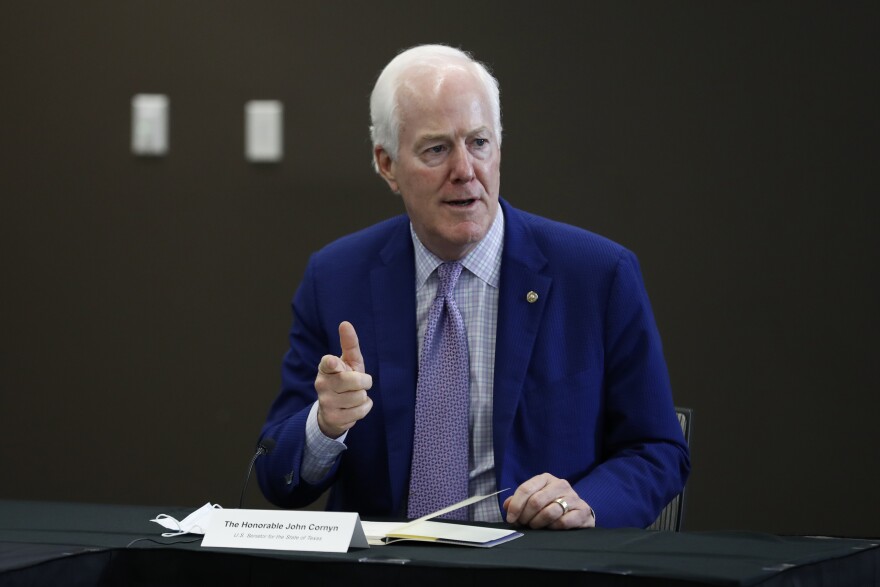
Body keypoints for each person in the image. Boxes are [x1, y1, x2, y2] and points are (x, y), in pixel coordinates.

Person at [256, 44, 689, 529]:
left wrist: (584, 504)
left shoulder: (598, 275)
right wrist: (325, 425)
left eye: (479, 142)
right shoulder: (337, 277)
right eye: (437, 149)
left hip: (534, 566)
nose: (465, 169)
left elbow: (659, 450)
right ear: (387, 165)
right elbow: (276, 475)